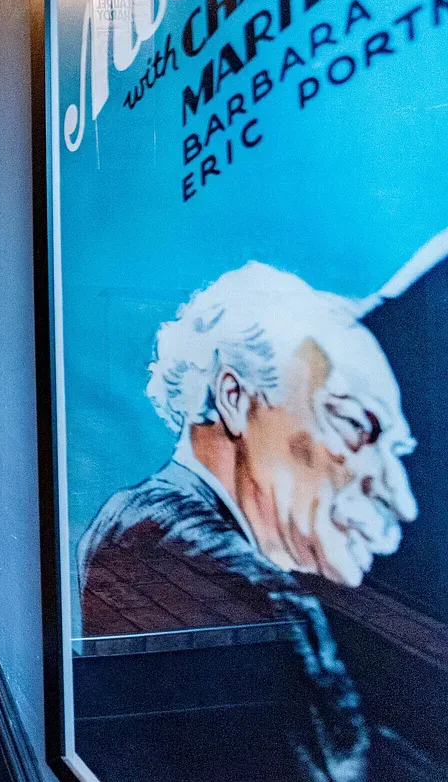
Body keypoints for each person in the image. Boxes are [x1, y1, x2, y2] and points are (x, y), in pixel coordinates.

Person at [79, 262, 418, 781]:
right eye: (353, 425)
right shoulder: (207, 573)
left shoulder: (164, 528)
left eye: (393, 449)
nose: (398, 495)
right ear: (236, 399)